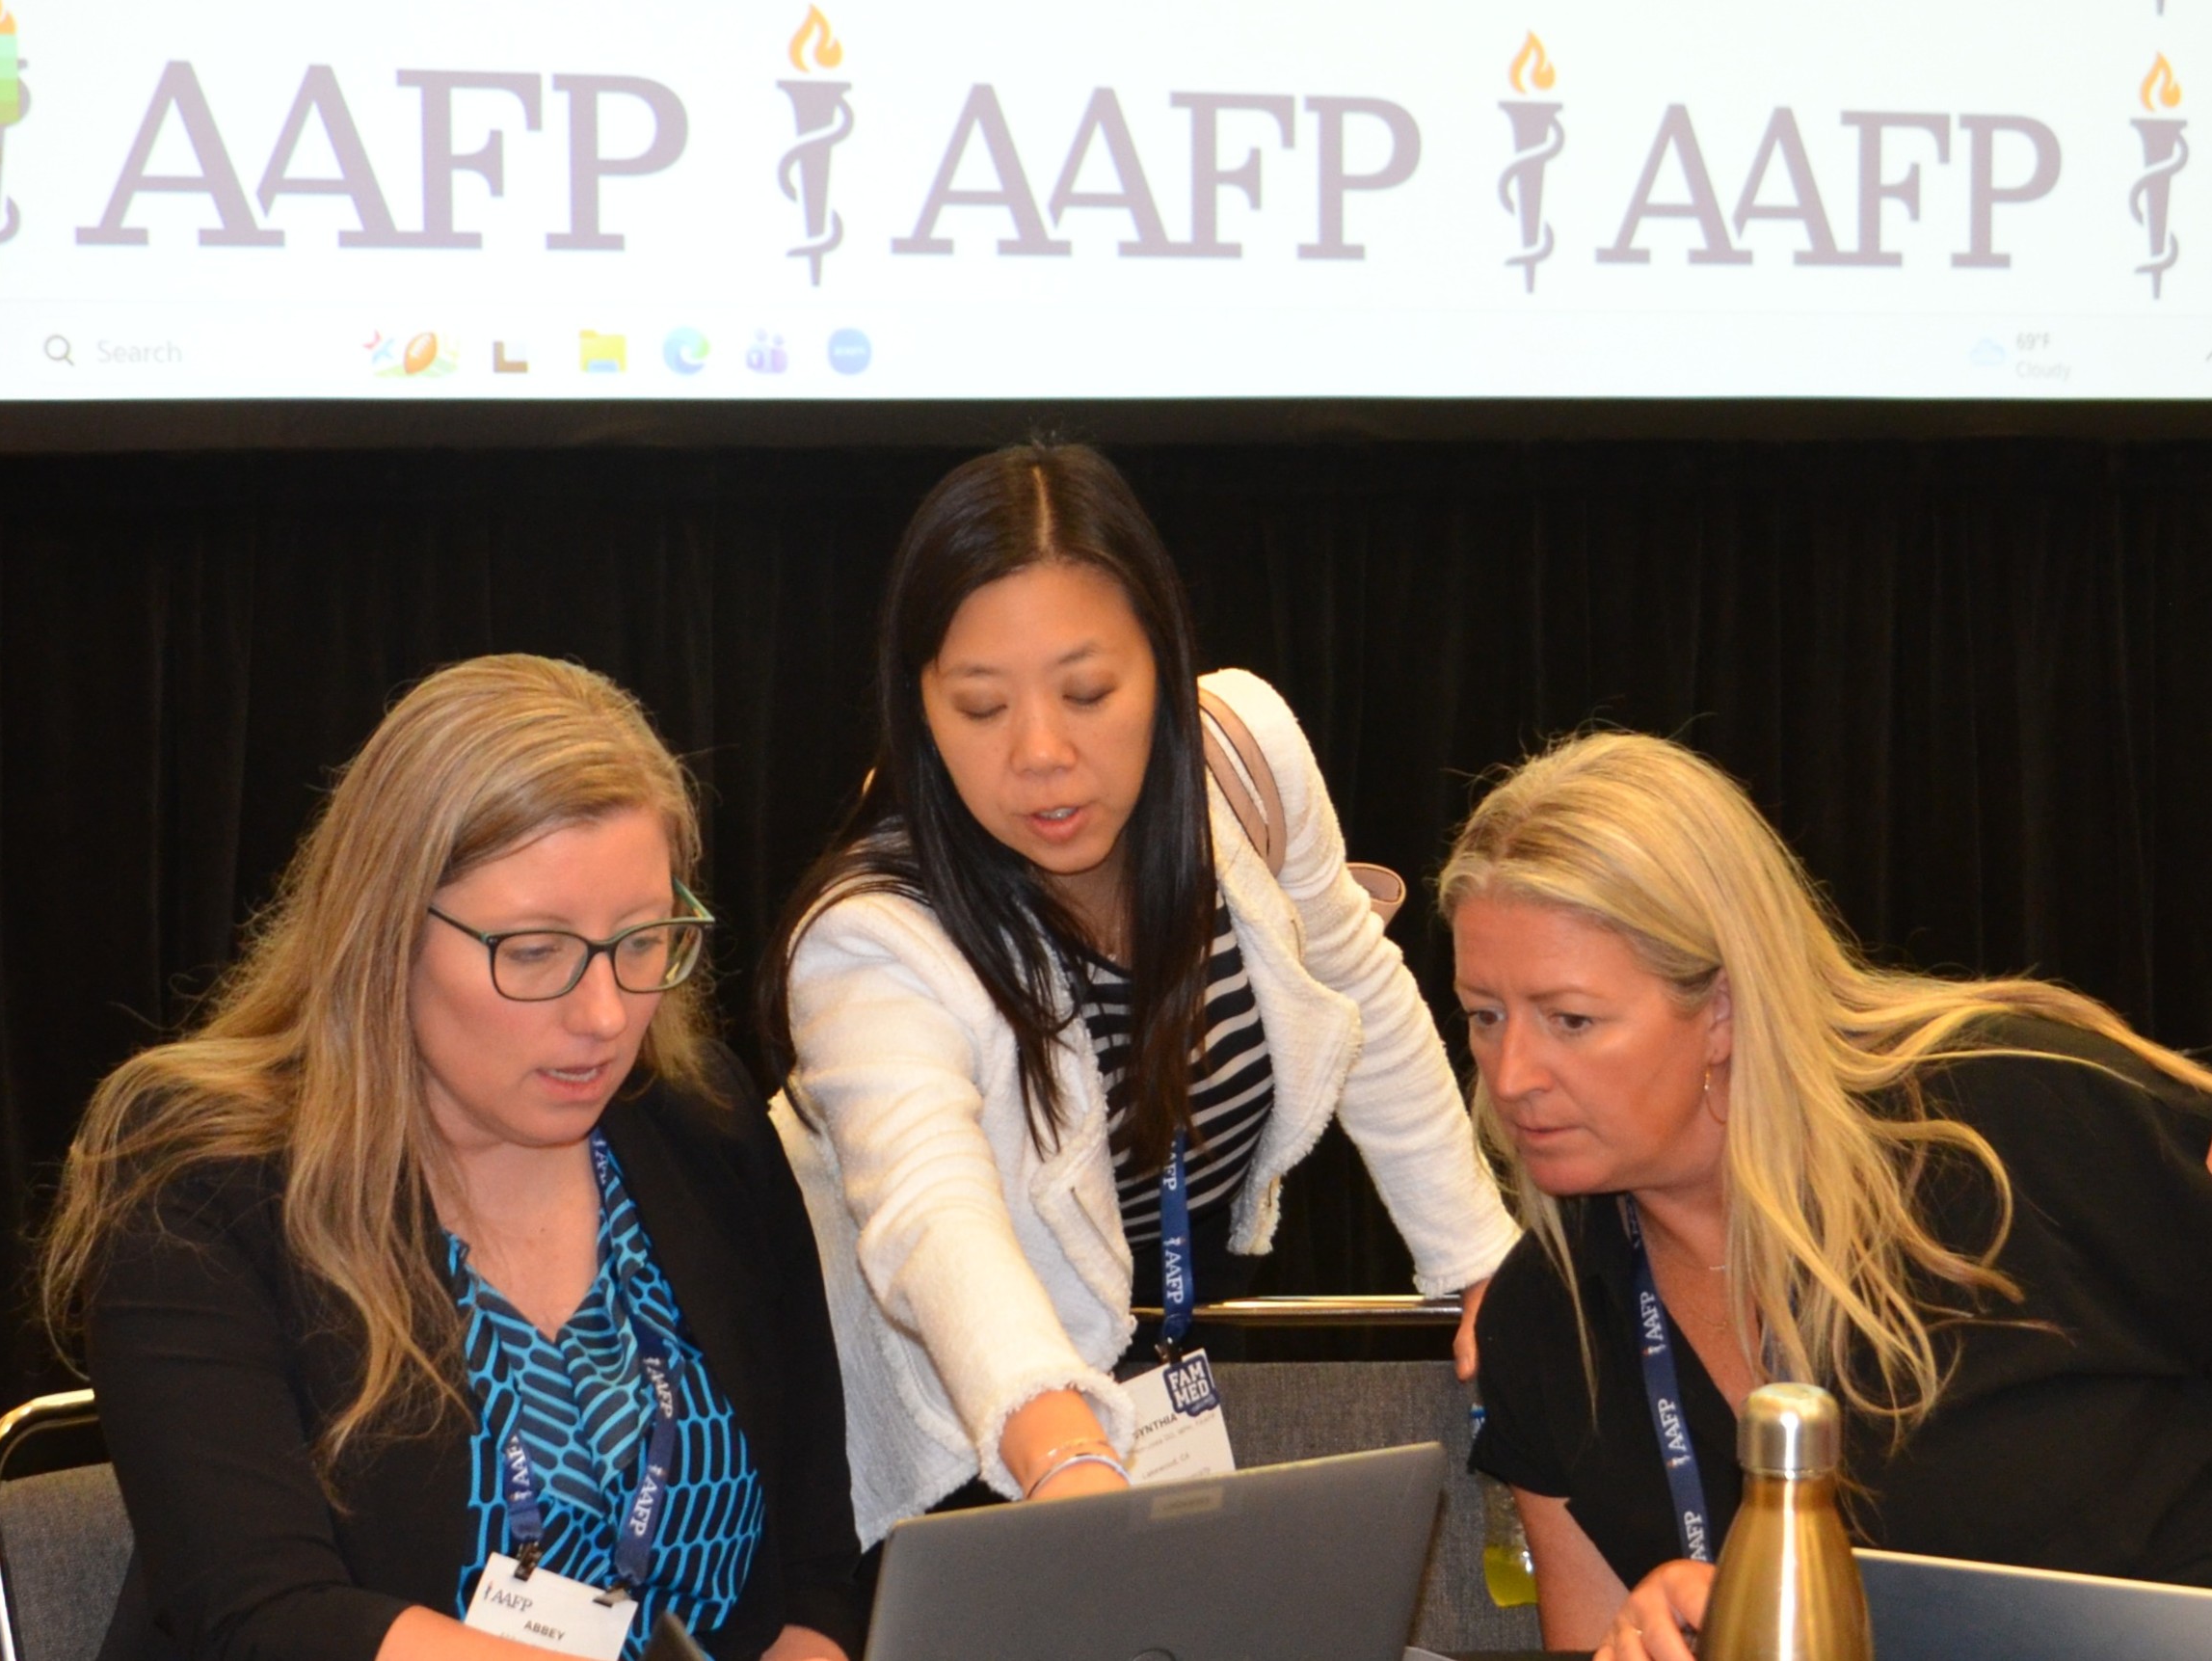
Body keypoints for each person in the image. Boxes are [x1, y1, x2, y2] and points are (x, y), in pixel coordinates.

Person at [759, 442, 1518, 1547]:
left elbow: (1354, 984)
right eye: (979, 706)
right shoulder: (870, 937)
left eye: (1088, 691)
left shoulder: (1244, 762)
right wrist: (1065, 1455)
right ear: (915, 708)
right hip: (957, 1422)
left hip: (1162, 1348)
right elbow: (931, 1214)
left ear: (1163, 665)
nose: (1041, 752)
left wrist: (1478, 1265)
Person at [40, 656, 865, 1661]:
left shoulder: (700, 1123)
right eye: (532, 952)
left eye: (644, 941)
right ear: (385, 932)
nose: (604, 1015)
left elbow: (818, 1558)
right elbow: (269, 1617)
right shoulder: (198, 1180)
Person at [1446, 731, 2212, 1661]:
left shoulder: (2015, 1119)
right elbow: (1586, 1637)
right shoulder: (1547, 1312)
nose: (1512, 1072)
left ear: (1724, 1009)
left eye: (1571, 1020)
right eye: (1484, 1016)